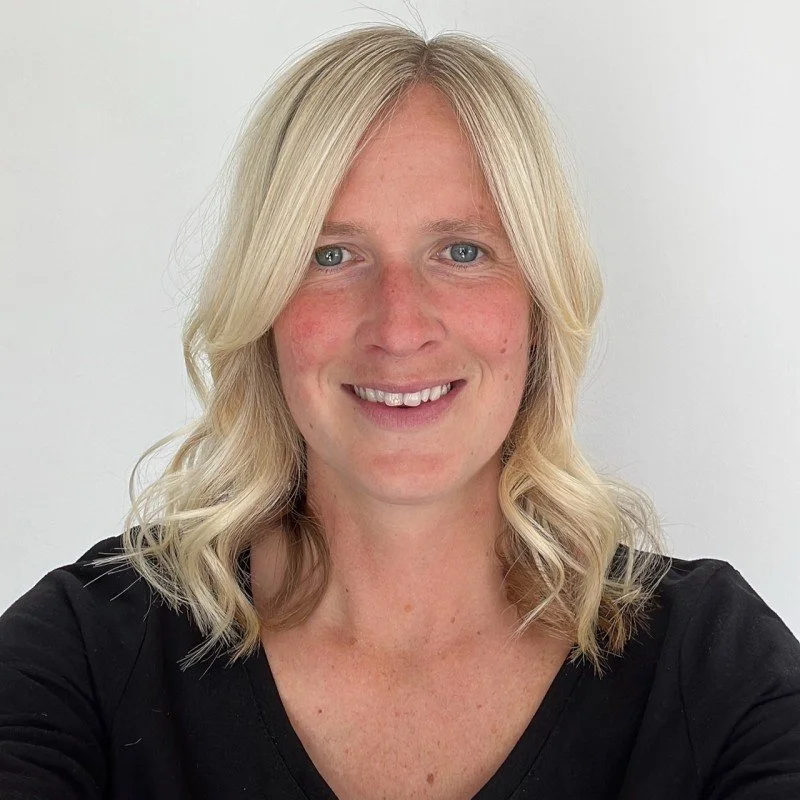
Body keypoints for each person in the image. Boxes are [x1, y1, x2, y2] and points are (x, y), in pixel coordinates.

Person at [1, 22, 798, 800]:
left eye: (462, 251)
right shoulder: (86, 653)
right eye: (331, 255)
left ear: (538, 307)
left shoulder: (712, 667)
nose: (398, 325)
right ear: (265, 303)